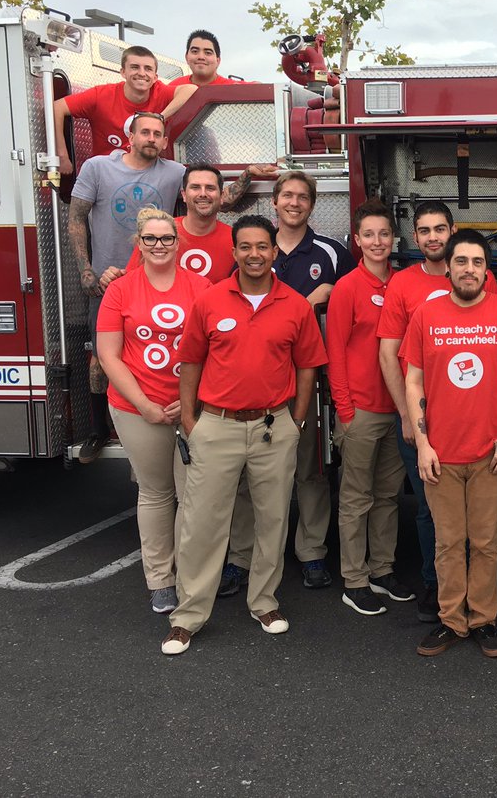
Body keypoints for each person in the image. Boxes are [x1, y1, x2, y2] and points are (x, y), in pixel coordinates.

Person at [162, 215, 328, 656]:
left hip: (275, 427)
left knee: (272, 518)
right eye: (246, 247)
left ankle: (265, 602)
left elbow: (308, 364)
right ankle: (188, 616)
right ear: (234, 252)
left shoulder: (294, 304)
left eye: (263, 247)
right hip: (216, 425)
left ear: (275, 252)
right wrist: (191, 421)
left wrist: (297, 418)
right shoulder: (210, 301)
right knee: (201, 522)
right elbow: (191, 361)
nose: (254, 254)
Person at [219, 171, 354, 595]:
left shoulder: (332, 252)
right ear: (274, 203)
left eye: (303, 197)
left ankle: (311, 552)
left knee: (311, 469)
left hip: (308, 379)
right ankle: (241, 558)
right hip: (255, 380)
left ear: (312, 205)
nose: (294, 203)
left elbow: (355, 298)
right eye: (287, 196)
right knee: (247, 473)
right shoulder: (255, 248)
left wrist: (333, 288)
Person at [403, 230, 497, 659]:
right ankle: (450, 620)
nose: (469, 270)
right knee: (447, 542)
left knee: (484, 542)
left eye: (477, 262)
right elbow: (414, 379)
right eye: (461, 261)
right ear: (449, 267)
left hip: (489, 454)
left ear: (486, 269)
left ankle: (483, 620)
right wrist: (423, 443)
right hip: (440, 452)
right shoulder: (427, 314)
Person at [377, 201, 497, 623]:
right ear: (415, 239)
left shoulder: (481, 278)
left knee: (478, 523)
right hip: (422, 422)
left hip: (473, 422)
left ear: (453, 233)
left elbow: (495, 344)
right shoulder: (402, 285)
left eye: (440, 229)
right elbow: (391, 356)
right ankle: (437, 588)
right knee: (432, 511)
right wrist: (410, 420)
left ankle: (475, 598)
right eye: (424, 230)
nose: (433, 237)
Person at [96, 208, 210, 614]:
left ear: (179, 244)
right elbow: (109, 356)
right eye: (151, 239)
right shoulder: (121, 291)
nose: (159, 245)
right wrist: (145, 405)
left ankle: (189, 575)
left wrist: (192, 399)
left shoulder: (201, 287)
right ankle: (161, 579)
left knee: (193, 496)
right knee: (157, 494)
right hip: (135, 406)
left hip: (190, 406)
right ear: (138, 245)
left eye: (167, 239)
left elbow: (215, 349)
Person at [69, 112, 186, 464]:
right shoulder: (97, 168)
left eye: (158, 134)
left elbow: (212, 197)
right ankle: (98, 430)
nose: (151, 138)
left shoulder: (176, 173)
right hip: (108, 281)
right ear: (129, 136)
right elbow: (76, 216)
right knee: (100, 359)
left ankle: (143, 416)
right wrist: (87, 272)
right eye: (144, 132)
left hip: (155, 277)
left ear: (165, 142)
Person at [325, 202, 409, 616]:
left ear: (393, 239)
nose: (377, 242)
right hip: (360, 411)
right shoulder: (347, 288)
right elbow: (335, 351)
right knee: (355, 498)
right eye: (369, 235)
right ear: (356, 241)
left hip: (398, 410)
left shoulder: (402, 285)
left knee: (388, 496)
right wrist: (345, 409)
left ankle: (382, 570)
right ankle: (354, 579)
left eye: (384, 234)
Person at [54, 46, 196, 175]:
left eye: (148, 69)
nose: (142, 73)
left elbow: (191, 89)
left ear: (155, 77)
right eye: (134, 67)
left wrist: (159, 117)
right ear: (123, 72)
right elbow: (57, 108)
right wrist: (62, 155)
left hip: (147, 175)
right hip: (108, 175)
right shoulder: (101, 95)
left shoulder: (160, 91)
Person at [126, 164, 233, 284]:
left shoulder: (234, 239)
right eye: (195, 187)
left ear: (222, 196)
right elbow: (131, 283)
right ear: (184, 195)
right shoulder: (160, 232)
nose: (203, 194)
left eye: (210, 188)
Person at [168, 30, 239, 87]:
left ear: (218, 60)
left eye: (208, 53)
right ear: (186, 57)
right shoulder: (173, 88)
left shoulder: (234, 88)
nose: (201, 57)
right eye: (195, 51)